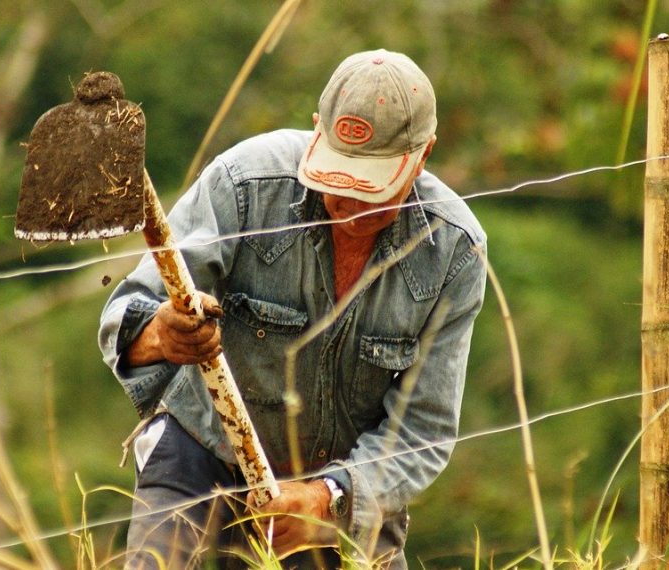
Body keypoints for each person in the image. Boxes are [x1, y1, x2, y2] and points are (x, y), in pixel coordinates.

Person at [98, 48, 487, 569]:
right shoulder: (243, 184)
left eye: (374, 185)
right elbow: (128, 315)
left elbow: (423, 431)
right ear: (317, 131)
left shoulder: (454, 252)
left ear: (423, 156)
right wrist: (162, 337)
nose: (349, 202)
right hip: (202, 455)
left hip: (339, 492)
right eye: (337, 176)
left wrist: (325, 499)